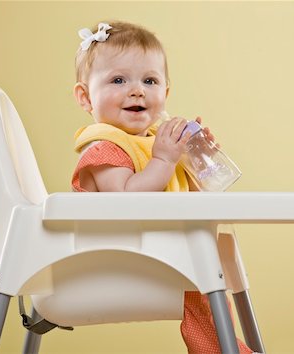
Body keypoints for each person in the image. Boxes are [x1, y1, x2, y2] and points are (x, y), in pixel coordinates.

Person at [71, 20, 253, 354]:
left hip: (155, 256)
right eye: (118, 80)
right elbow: (127, 200)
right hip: (114, 263)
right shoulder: (104, 150)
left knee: (210, 268)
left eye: (150, 80)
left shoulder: (153, 144)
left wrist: (198, 161)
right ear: (85, 97)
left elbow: (186, 202)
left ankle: (233, 348)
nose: (137, 89)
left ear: (165, 93)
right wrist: (165, 160)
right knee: (203, 281)